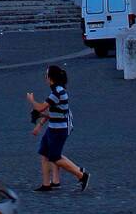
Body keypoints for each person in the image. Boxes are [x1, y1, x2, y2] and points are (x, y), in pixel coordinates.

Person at [27, 65, 90, 193]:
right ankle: (46, 184)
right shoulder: (56, 91)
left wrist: (31, 100)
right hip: (53, 128)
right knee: (45, 154)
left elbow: (41, 108)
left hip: (58, 130)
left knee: (55, 157)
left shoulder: (57, 92)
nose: (45, 77)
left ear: (51, 78)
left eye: (46, 75)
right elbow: (51, 112)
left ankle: (81, 175)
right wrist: (40, 125)